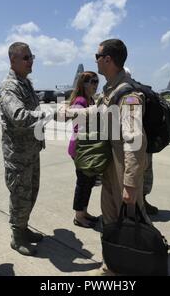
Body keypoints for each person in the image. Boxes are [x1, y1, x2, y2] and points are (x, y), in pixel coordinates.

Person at [95, 39, 150, 275]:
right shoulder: (110, 90)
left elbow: (135, 142)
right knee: (110, 219)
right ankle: (113, 265)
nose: (95, 60)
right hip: (111, 165)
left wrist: (130, 183)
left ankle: (144, 261)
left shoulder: (128, 95)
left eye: (97, 56)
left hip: (123, 166)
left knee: (133, 221)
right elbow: (100, 112)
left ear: (108, 59)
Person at [0, 42, 53, 257]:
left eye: (32, 57)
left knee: (31, 193)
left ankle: (23, 227)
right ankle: (17, 236)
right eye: (26, 58)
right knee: (20, 195)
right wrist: (48, 114)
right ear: (13, 60)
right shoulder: (9, 86)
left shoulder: (26, 83)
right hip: (18, 154)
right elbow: (19, 116)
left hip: (31, 150)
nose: (31, 61)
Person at [67, 71, 100, 229]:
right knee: (83, 182)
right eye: (92, 81)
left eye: (96, 81)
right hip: (80, 149)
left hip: (88, 148)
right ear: (84, 84)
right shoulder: (80, 101)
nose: (95, 84)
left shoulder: (91, 100)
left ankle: (84, 212)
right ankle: (79, 217)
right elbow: (78, 126)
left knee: (89, 182)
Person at [124, 68, 158, 215]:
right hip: (149, 140)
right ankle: (141, 202)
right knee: (145, 172)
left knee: (134, 174)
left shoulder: (130, 95)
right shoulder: (144, 91)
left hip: (135, 143)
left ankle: (137, 206)